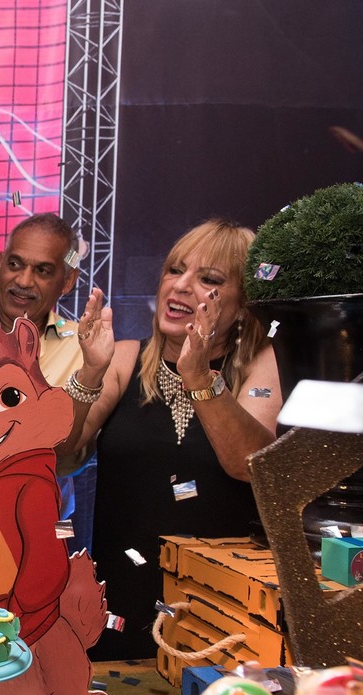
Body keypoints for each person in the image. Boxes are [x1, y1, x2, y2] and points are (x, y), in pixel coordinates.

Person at [58, 219, 282, 661]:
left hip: (221, 600)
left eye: (209, 280)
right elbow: (63, 454)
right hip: (124, 588)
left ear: (242, 305)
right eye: (174, 270)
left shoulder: (260, 363)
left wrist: (198, 378)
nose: (180, 287)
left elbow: (249, 464)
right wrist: (88, 374)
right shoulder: (125, 356)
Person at [0, 213, 94, 552]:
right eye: (15, 264)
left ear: (67, 281)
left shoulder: (84, 348)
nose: (23, 281)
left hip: (38, 538)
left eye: (43, 271)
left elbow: (64, 453)